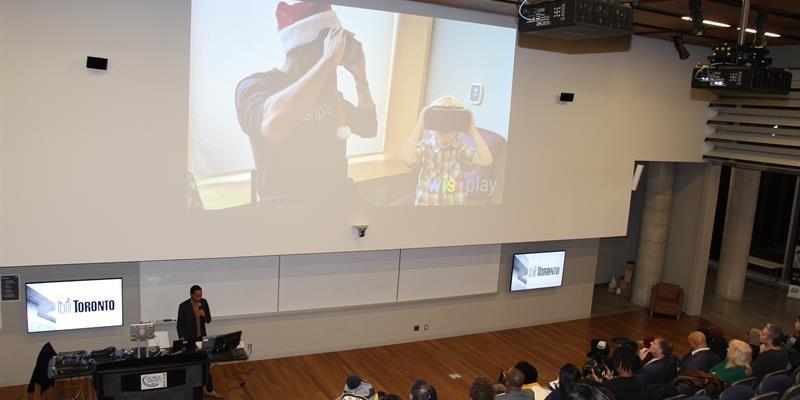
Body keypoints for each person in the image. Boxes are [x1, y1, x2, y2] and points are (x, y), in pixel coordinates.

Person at [235, 1, 378, 206]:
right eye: (330, 42)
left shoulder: (326, 92)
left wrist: (360, 77)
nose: (336, 53)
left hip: (335, 205)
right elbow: (274, 127)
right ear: (306, 45)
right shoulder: (255, 86)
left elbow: (368, 127)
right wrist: (327, 61)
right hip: (288, 212)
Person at [400, 95, 494, 206]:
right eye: (440, 120)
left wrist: (473, 131)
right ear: (430, 124)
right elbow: (407, 160)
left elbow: (486, 160)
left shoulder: (460, 150)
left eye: (452, 121)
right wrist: (419, 126)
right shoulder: (425, 148)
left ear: (460, 126)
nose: (445, 126)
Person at [176, 285, 222, 399]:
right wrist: (182, 338)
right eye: (197, 295)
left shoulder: (204, 302)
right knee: (192, 366)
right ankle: (192, 391)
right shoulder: (183, 306)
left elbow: (208, 320)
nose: (199, 297)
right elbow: (179, 324)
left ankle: (209, 390)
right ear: (191, 295)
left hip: (202, 339)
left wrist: (204, 314)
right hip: (190, 340)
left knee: (207, 364)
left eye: (201, 295)